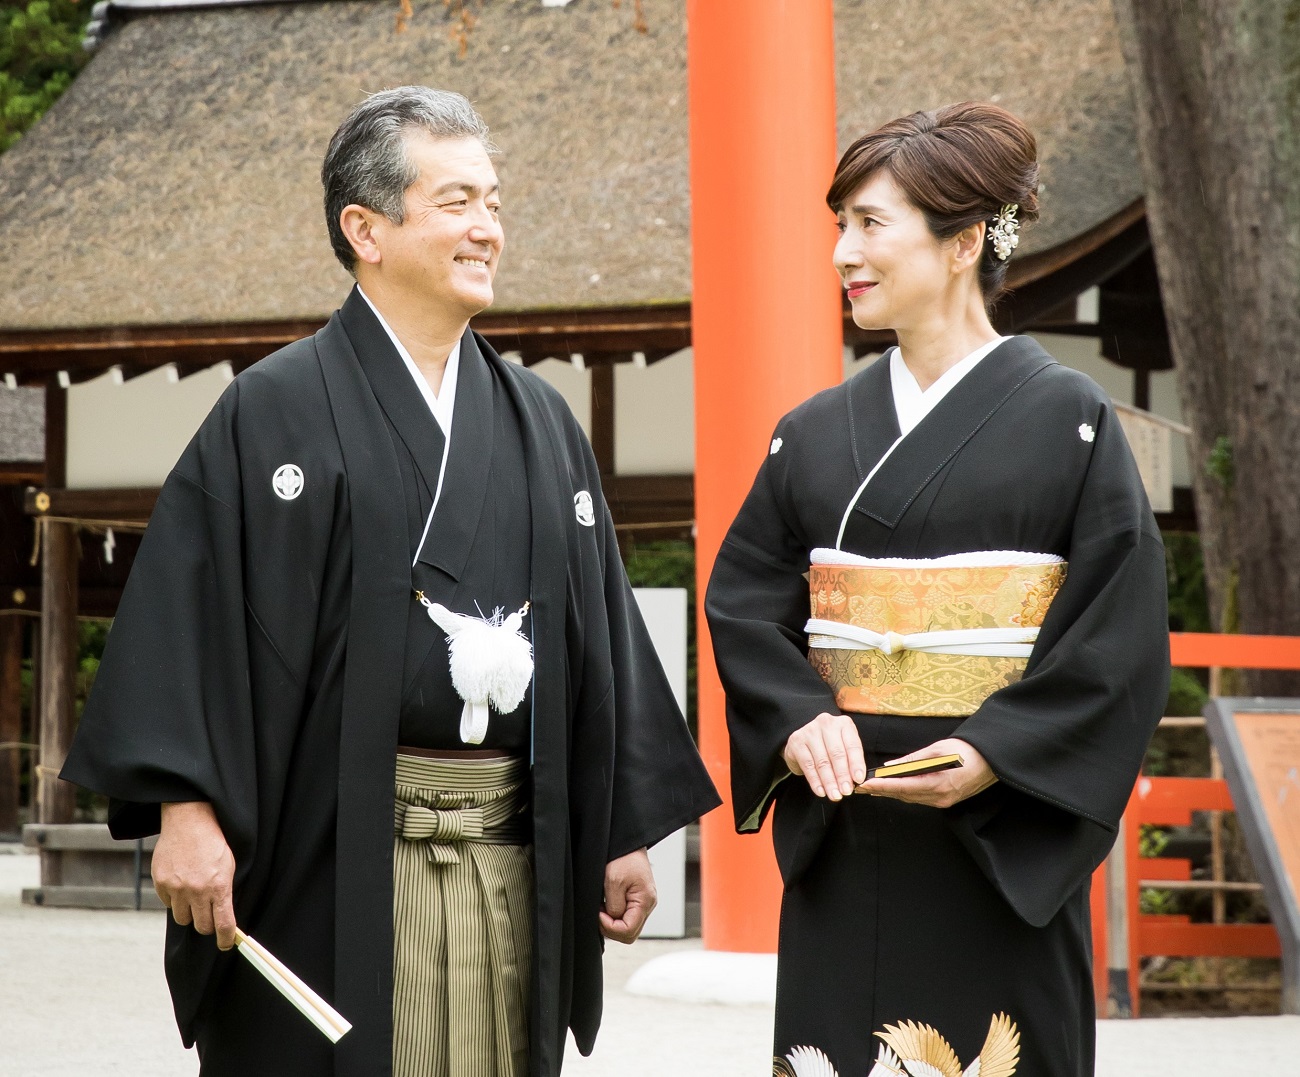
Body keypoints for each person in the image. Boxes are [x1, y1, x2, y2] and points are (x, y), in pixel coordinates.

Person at [62, 86, 719, 1077]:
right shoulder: (269, 413)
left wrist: (618, 825)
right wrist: (184, 813)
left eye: (494, 203)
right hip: (322, 854)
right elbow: (186, 624)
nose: (487, 229)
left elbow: (598, 636)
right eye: (457, 202)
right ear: (364, 228)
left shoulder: (541, 424)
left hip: (509, 853)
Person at [705, 103, 1168, 1077]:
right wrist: (796, 717)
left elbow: (1115, 641)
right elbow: (744, 601)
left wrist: (996, 750)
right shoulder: (813, 431)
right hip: (846, 820)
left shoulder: (1069, 423)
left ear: (963, 243)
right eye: (840, 226)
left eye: (871, 224)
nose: (842, 252)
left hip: (992, 834)